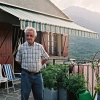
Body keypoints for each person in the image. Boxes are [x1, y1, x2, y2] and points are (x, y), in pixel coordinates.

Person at [15, 27, 49, 100]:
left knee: (39, 96)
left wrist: (40, 64)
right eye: (27, 35)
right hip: (26, 75)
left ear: (35, 36)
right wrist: (25, 65)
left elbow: (46, 57)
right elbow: (18, 60)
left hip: (37, 76)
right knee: (24, 97)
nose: (29, 37)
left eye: (31, 35)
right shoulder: (21, 47)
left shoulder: (39, 47)